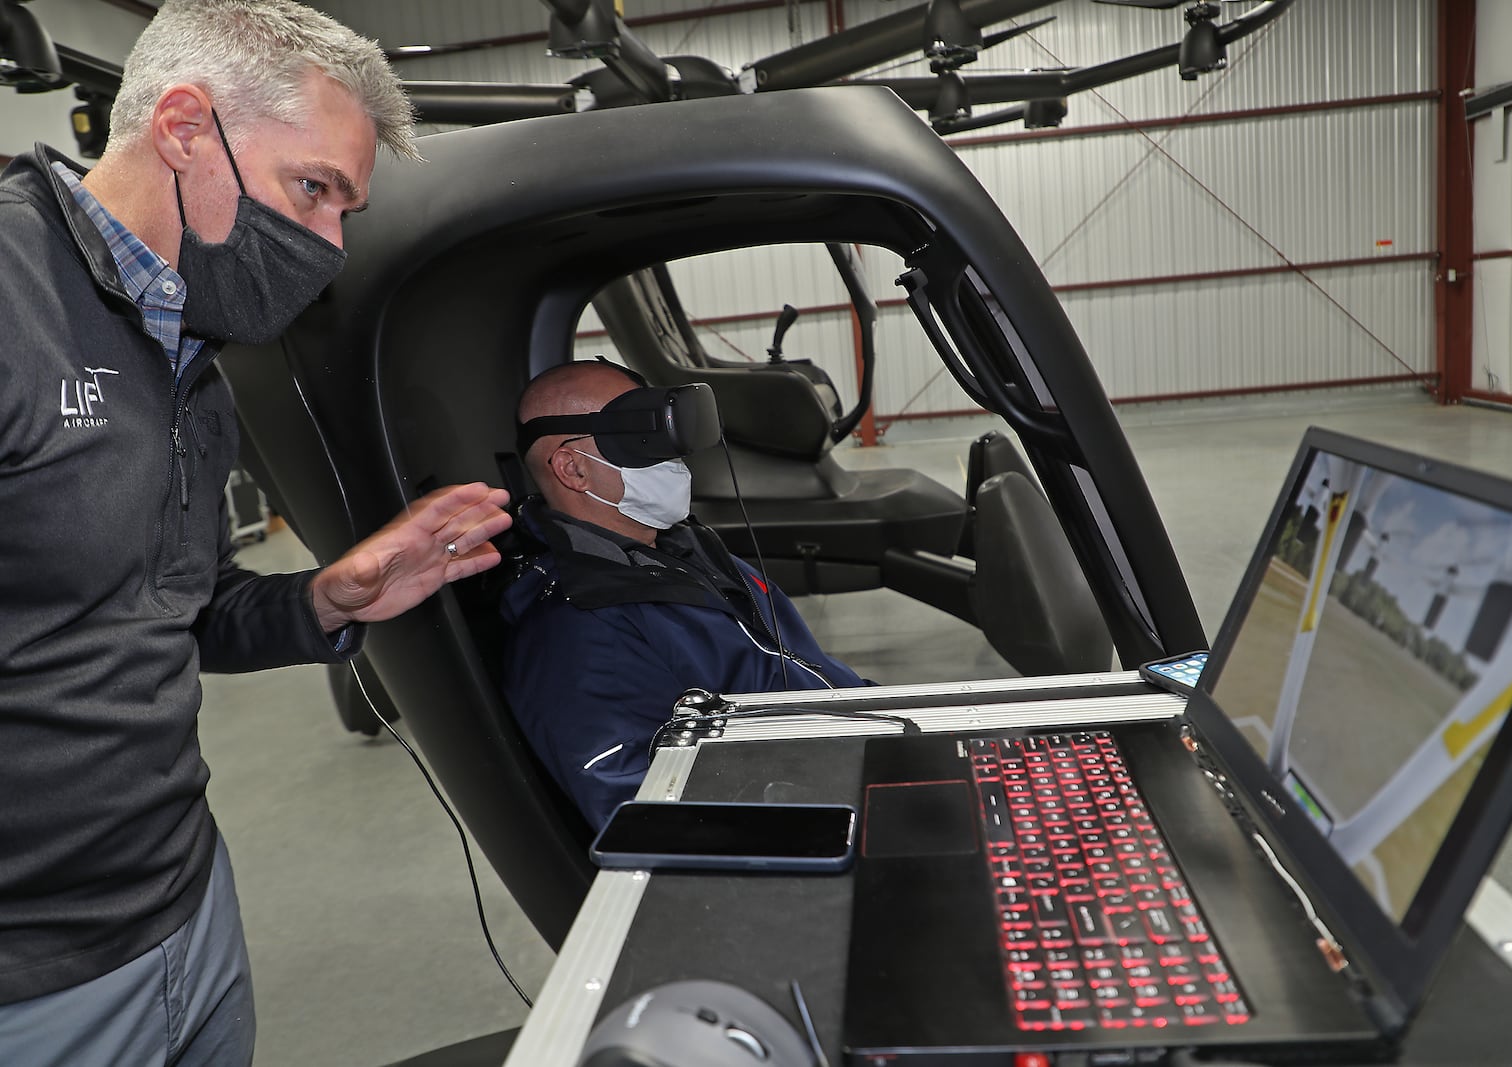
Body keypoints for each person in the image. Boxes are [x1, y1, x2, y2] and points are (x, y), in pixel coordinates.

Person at [0, 2, 511, 1064]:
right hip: (33, 978)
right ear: (184, 127)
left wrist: (333, 594)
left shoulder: (188, 349)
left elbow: (181, 610)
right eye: (312, 191)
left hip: (185, 904)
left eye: (344, 211)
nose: (326, 245)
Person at [502, 362, 868, 829]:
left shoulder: (683, 548)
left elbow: (788, 665)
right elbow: (644, 812)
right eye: (640, 441)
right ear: (573, 469)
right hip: (811, 815)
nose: (673, 461)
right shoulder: (576, 626)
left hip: (845, 754)